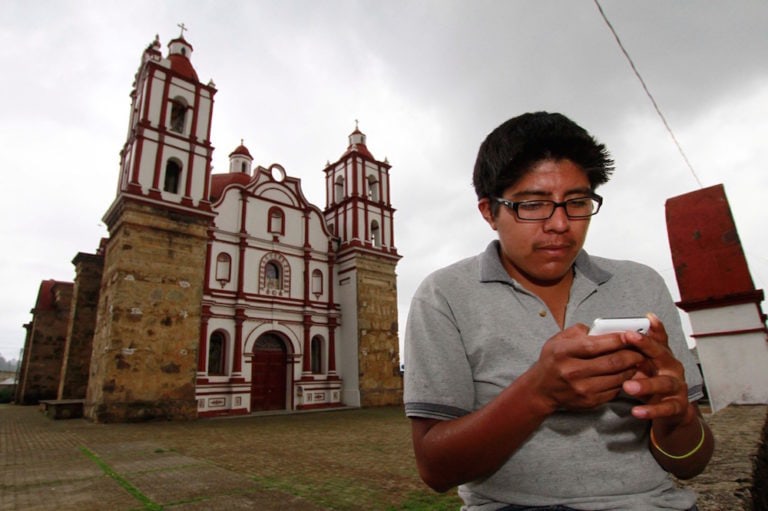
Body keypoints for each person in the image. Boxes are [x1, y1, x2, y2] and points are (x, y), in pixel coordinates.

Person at [403, 112, 714, 511]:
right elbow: (435, 469)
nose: (561, 224)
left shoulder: (641, 284)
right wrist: (539, 392)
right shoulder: (443, 295)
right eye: (533, 205)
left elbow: (692, 465)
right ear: (488, 211)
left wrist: (678, 416)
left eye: (578, 202)